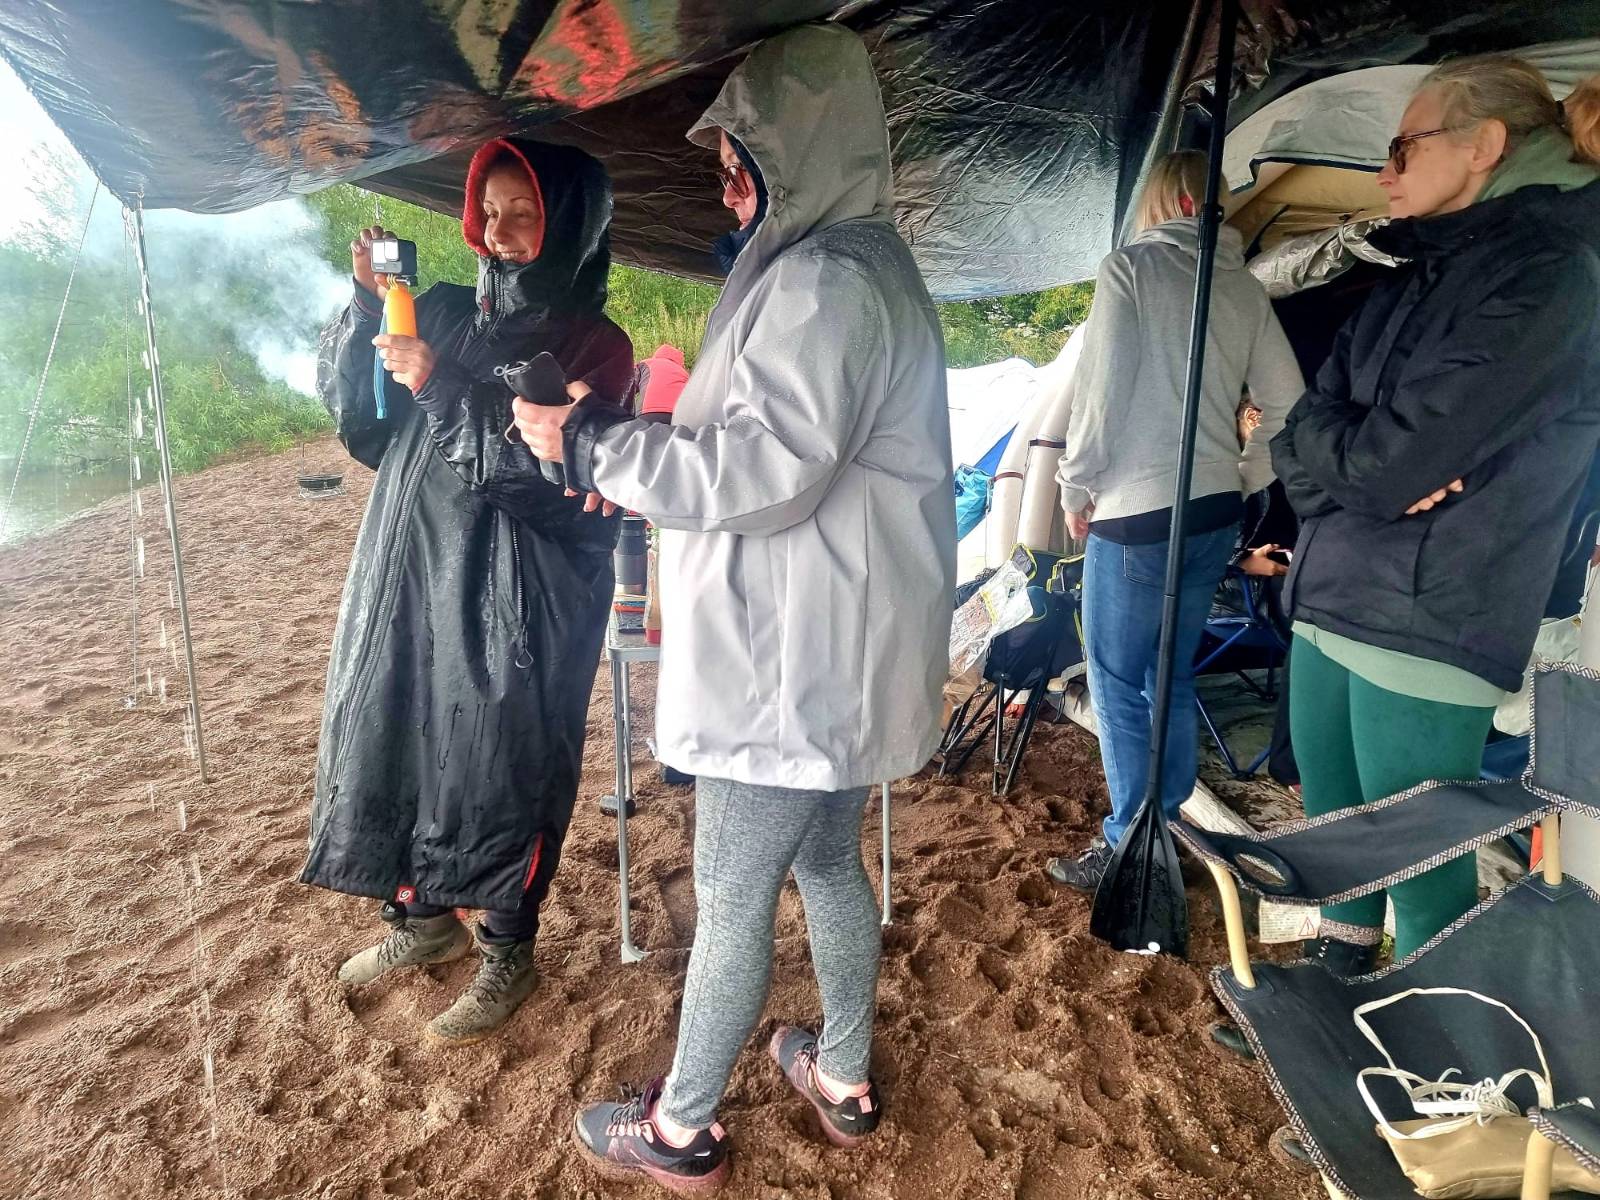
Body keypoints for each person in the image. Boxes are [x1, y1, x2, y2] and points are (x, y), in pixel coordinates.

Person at [513, 24, 954, 1192]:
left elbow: (759, 476)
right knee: (828, 866)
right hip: (832, 647)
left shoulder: (822, 282)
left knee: (732, 897)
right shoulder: (857, 265)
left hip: (790, 663)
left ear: (798, 150)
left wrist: (595, 444)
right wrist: (635, 438)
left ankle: (680, 1128)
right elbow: (764, 441)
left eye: (737, 160)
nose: (722, 184)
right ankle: (842, 1075)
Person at [1271, 56, 1600, 974]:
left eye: (1402, 147)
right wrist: (1349, 465)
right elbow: (1304, 434)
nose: (1384, 173)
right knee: (1335, 831)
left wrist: (1354, 463)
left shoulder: (1550, 274)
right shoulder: (1415, 266)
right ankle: (1340, 989)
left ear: (1483, 145)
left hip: (1432, 611)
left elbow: (1384, 466)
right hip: (1336, 585)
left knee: (1419, 868)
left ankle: (1424, 1052)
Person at [301, 139, 634, 1044]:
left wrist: (439, 381)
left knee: (502, 759)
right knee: (404, 731)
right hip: (412, 567)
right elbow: (367, 431)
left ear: (570, 225)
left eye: (524, 212)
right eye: (489, 210)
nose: (500, 230)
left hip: (521, 592)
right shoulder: (444, 309)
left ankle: (508, 953)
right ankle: (422, 922)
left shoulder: (595, 347)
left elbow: (554, 488)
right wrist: (366, 308)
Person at [1047, 151, 1305, 891]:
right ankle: (1166, 825)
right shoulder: (1242, 286)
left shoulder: (1130, 269)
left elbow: (1101, 396)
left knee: (1117, 680)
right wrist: (1244, 473)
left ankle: (1130, 846)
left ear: (1167, 202)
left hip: (1139, 512)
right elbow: (1289, 401)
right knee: (1169, 675)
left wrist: (1074, 487)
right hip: (1215, 510)